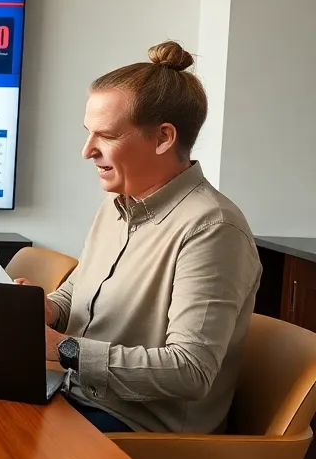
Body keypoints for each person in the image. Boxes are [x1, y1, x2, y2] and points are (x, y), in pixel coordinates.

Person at [39, 41, 260, 434]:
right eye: (88, 134)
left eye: (106, 136)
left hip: (142, 430)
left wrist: (63, 348)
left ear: (163, 138)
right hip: (76, 395)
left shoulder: (213, 229)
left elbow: (189, 371)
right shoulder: (116, 206)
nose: (87, 151)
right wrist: (47, 309)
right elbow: (79, 289)